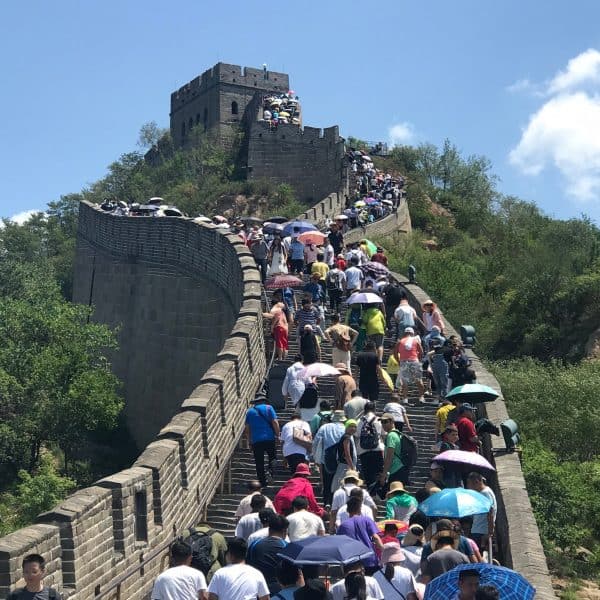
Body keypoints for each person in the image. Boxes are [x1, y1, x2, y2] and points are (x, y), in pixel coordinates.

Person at [336, 496, 384, 575]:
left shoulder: (343, 526)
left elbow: (340, 545)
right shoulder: (367, 520)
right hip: (370, 559)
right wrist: (384, 552)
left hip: (352, 562)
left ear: (347, 510)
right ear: (359, 509)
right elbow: (376, 537)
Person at [247, 513, 289, 595]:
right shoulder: (287, 547)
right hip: (278, 591)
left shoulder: (254, 544)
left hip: (255, 589)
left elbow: (248, 565)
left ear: (269, 529)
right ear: (285, 531)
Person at [245, 396, 280, 487]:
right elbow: (274, 422)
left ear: (255, 402)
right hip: (269, 438)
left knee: (259, 462)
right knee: (273, 457)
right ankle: (270, 471)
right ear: (264, 401)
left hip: (256, 441)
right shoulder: (269, 408)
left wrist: (249, 441)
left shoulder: (250, 412)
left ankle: (262, 482)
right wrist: (278, 435)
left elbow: (247, 429)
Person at [313, 410, 346, 506]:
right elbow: (350, 445)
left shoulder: (324, 427)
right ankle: (337, 504)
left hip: (326, 459)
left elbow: (316, 442)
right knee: (339, 483)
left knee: (327, 483)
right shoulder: (345, 428)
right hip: (341, 461)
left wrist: (316, 458)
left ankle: (327, 502)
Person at [393, 327, 425, 404]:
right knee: (418, 380)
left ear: (405, 333)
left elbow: (395, 353)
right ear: (412, 333)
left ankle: (405, 398)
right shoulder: (416, 341)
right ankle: (421, 397)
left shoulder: (400, 341)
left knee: (404, 381)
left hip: (404, 361)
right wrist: (419, 360)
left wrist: (399, 361)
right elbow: (421, 352)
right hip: (414, 361)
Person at [466, 472, 497, 551]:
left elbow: (490, 513)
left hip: (480, 532)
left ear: (477, 482)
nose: (469, 487)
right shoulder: (485, 491)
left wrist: (490, 532)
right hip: (479, 530)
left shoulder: (485, 493)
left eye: (470, 484)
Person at [356, 402, 384, 487]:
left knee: (368, 474)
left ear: (364, 410)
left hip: (363, 450)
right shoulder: (378, 419)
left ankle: (370, 491)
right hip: (377, 449)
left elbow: (357, 435)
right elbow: (384, 433)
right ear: (374, 409)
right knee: (378, 472)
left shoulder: (359, 421)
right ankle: (377, 492)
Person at [379, 413, 409, 488]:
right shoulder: (397, 434)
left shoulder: (391, 435)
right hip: (400, 468)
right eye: (382, 422)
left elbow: (389, 456)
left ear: (392, 422)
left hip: (395, 469)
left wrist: (384, 474)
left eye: (385, 422)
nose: (383, 424)